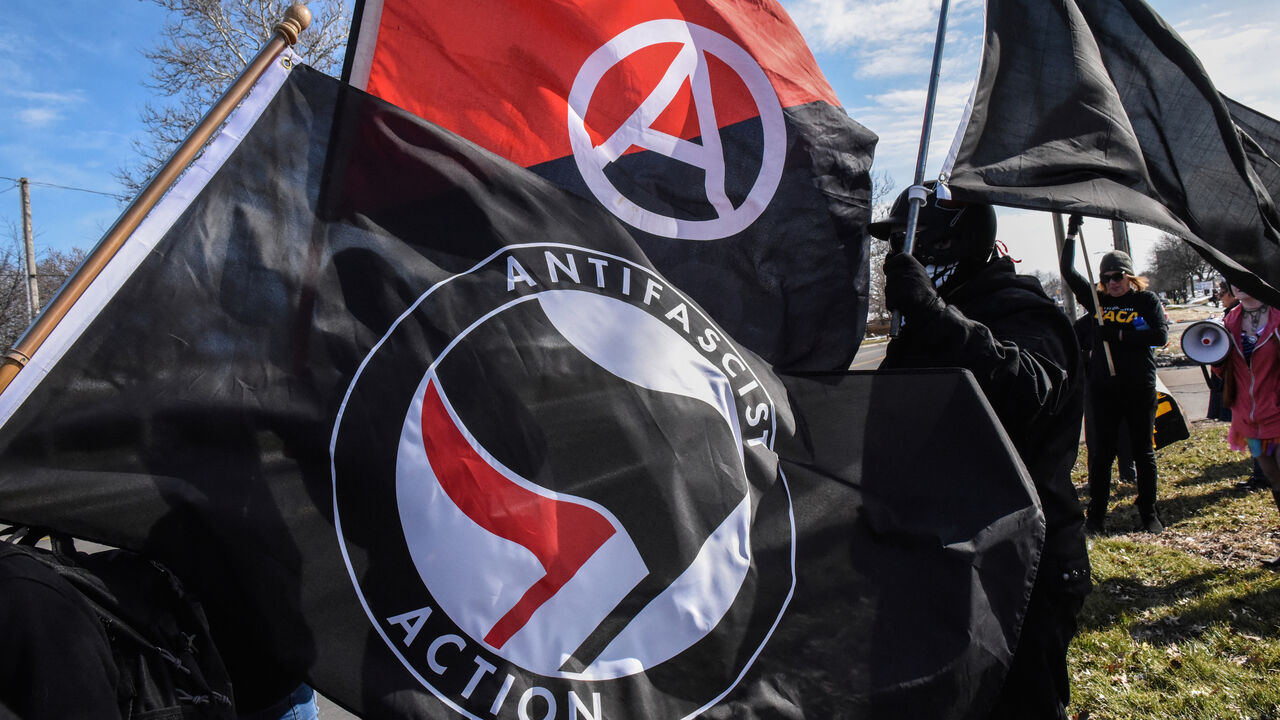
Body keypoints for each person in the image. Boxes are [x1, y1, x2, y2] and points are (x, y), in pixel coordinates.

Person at [872, 183, 1090, 720]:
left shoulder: (1020, 308)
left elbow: (1030, 391)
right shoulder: (928, 322)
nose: (899, 254)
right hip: (946, 552)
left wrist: (934, 316)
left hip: (1023, 563)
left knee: (1019, 706)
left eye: (910, 240)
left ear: (947, 246)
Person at [1059, 229, 1167, 534]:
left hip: (1138, 386)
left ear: (1130, 277)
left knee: (1143, 452)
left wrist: (1119, 335)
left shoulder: (1145, 300)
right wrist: (1070, 233)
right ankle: (1095, 518)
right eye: (1106, 278)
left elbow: (1159, 335)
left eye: (1118, 276)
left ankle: (1148, 512)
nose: (1112, 282)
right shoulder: (1097, 301)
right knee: (1102, 456)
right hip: (1103, 389)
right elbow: (1068, 271)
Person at [1214, 285, 1280, 559]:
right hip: (1250, 418)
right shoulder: (1231, 320)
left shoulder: (1277, 314)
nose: (1235, 284)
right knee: (1274, 480)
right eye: (1230, 278)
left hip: (1277, 412)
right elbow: (1222, 370)